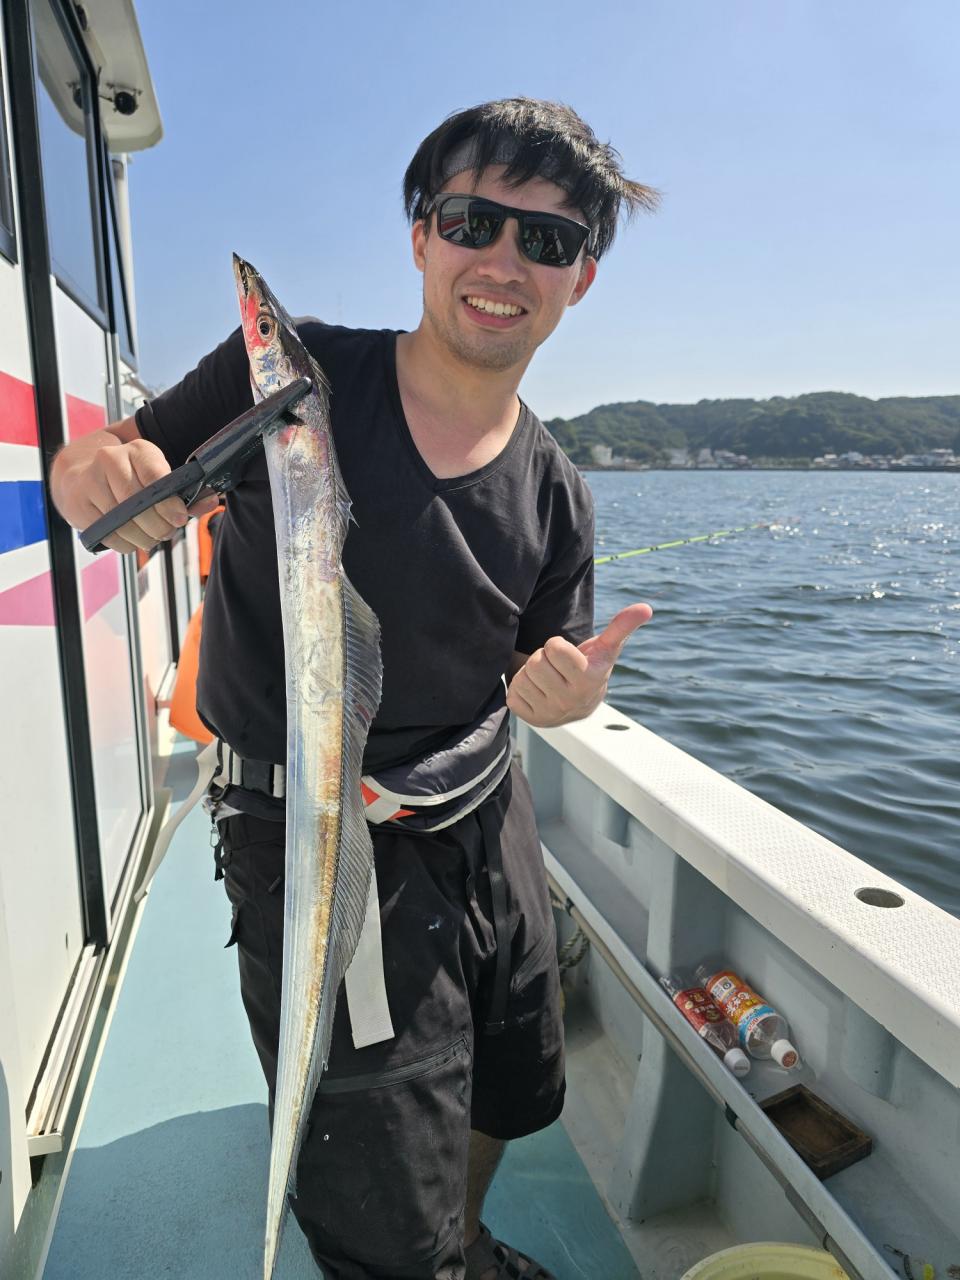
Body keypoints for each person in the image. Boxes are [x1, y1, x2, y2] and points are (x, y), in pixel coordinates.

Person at [51, 97, 657, 1280]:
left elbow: (545, 659)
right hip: (314, 823)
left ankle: (462, 1233)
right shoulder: (294, 377)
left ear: (580, 278)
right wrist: (103, 477)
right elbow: (106, 459)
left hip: (485, 812)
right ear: (421, 236)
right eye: (474, 221)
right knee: (378, 1202)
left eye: (547, 239)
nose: (505, 260)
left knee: (516, 1077)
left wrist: (564, 696)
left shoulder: (557, 486)